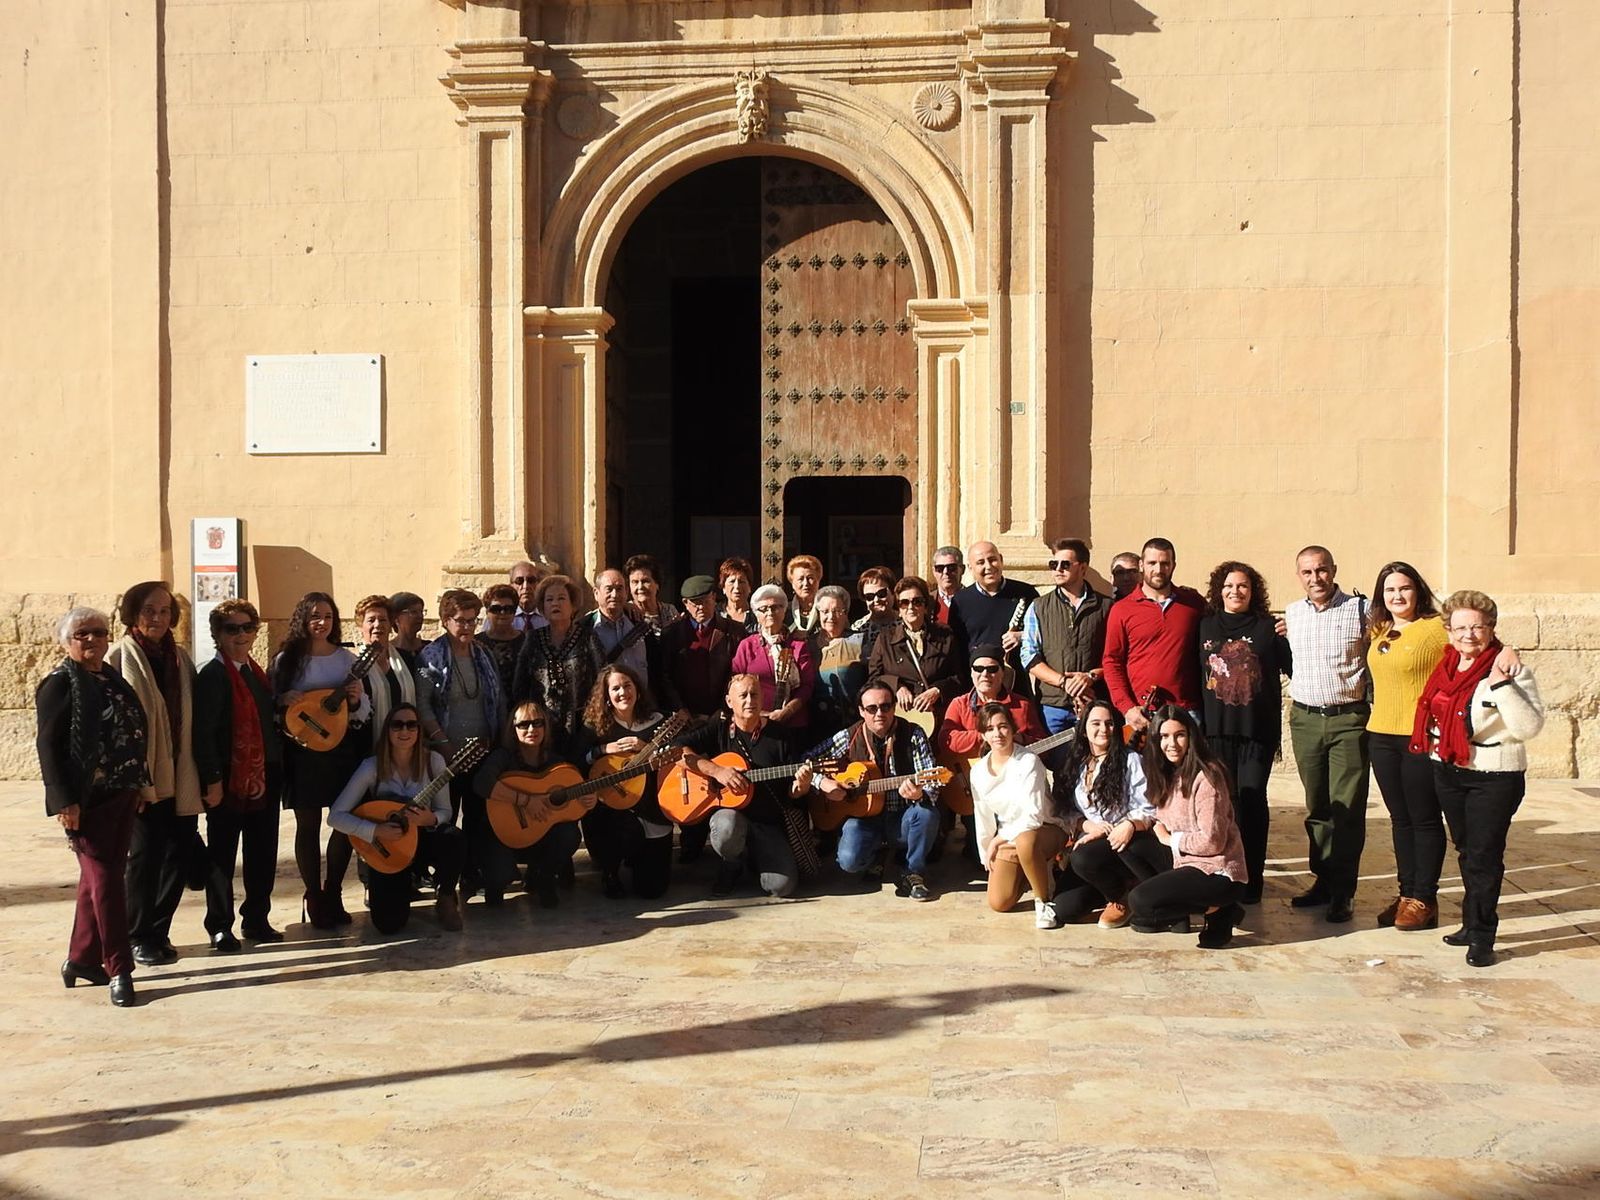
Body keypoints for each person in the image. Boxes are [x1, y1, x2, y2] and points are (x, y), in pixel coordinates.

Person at [1412, 591, 1543, 967]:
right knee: (1467, 851)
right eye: (1460, 627)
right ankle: (1471, 923)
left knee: (1485, 856)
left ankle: (1483, 935)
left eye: (1477, 626)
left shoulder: (1510, 668)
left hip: (1494, 775)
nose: (1468, 635)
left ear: (1491, 628)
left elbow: (1529, 726)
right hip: (1450, 770)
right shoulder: (1446, 666)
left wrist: (1502, 684)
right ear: (1449, 631)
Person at [37, 607, 150, 1007]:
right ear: (66, 641)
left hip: (123, 792)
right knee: (106, 881)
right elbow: (48, 746)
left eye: (99, 633)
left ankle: (82, 959)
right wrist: (63, 801)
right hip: (87, 800)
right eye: (82, 634)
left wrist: (140, 784)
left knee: (97, 881)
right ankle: (119, 966)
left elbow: (133, 730)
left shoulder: (111, 677)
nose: (92, 640)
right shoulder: (59, 683)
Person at [107, 580, 204, 966]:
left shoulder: (179, 658)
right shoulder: (119, 657)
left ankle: (158, 930)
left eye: (165, 611)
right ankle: (136, 935)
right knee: (143, 857)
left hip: (179, 773)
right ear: (133, 613)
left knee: (179, 853)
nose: (158, 618)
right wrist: (132, 781)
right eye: (149, 610)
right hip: (141, 778)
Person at [273, 592, 371, 930]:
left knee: (343, 821)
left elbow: (360, 712)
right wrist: (284, 699)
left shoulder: (347, 660)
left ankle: (334, 891)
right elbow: (274, 704)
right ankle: (314, 895)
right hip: (303, 751)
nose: (322, 622)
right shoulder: (288, 659)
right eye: (315, 615)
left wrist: (356, 701)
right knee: (308, 824)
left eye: (328, 616)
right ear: (303, 618)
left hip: (340, 750)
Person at [1282, 545, 1370, 923]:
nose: (1315, 578)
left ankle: (1343, 889)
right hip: (1305, 719)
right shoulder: (1292, 614)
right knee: (1317, 805)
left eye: (1321, 570)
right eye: (1307, 572)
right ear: (1298, 575)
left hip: (1347, 719)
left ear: (1333, 570)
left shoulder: (1360, 611)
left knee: (1346, 807)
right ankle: (1323, 878)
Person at [1197, 561, 1291, 906]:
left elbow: (1294, 668)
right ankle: (1226, 871)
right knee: (1223, 803)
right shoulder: (1204, 625)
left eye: (1243, 586)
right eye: (1229, 586)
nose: (1236, 592)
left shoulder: (1269, 628)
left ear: (1254, 592)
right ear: (1218, 590)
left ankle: (1253, 877)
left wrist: (1291, 636)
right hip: (1216, 732)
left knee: (1252, 799)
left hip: (1256, 732)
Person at [192, 599, 284, 949]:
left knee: (263, 852)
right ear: (217, 634)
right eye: (232, 629)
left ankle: (257, 919)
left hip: (264, 777)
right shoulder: (213, 675)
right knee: (222, 855)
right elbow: (204, 733)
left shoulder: (256, 673)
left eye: (248, 627)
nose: (241, 634)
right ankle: (219, 924)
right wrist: (212, 780)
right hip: (229, 780)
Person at [329, 704, 464, 933]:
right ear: (387, 731)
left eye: (412, 725)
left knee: (453, 837)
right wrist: (374, 831)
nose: (405, 731)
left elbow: (445, 812)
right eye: (397, 725)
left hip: (422, 841)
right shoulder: (371, 766)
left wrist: (429, 819)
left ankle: (446, 896)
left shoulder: (434, 762)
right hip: (390, 847)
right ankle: (400, 885)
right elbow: (335, 817)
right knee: (388, 925)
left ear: (420, 730)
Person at [805, 682, 944, 900]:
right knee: (849, 861)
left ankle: (912, 872)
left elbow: (932, 782)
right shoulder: (849, 736)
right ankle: (875, 857)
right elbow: (806, 762)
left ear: (894, 707)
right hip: (864, 820)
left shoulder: (913, 733)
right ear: (861, 711)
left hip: (901, 817)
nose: (879, 713)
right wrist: (822, 782)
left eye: (886, 706)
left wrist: (920, 793)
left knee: (926, 814)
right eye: (872, 709)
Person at [1127, 707, 1248, 949]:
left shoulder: (1208, 777)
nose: (1172, 743)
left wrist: (1172, 840)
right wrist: (1133, 824)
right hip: (1185, 859)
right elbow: (1161, 817)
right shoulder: (1166, 772)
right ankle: (1199, 907)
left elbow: (1212, 841)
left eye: (1179, 735)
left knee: (1141, 903)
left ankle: (1220, 908)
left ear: (1191, 736)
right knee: (1128, 844)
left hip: (1216, 868)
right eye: (1164, 736)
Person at [680, 674, 811, 898]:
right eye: (743, 695)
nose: (750, 700)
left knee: (781, 887)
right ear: (730, 702)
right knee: (726, 827)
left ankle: (752, 858)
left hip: (767, 823)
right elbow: (679, 750)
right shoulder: (718, 727)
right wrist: (717, 771)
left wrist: (803, 785)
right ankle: (731, 863)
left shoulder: (780, 735)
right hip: (731, 817)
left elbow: (793, 791)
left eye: (755, 694)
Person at [417, 588, 507, 896]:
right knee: (447, 817)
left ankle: (474, 874)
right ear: (444, 621)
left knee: (479, 816)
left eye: (472, 619)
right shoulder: (431, 656)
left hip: (482, 751)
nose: (467, 626)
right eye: (460, 620)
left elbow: (497, 699)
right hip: (446, 754)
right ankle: (446, 881)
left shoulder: (483, 653)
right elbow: (423, 704)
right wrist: (442, 744)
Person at [1051, 699, 1169, 928]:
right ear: (1084, 729)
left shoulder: (1131, 760)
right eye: (1095, 723)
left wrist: (1129, 825)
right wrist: (1087, 826)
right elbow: (1065, 808)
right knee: (1063, 909)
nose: (1103, 729)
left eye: (1109, 723)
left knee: (1082, 857)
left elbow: (1147, 807)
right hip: (1093, 841)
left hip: (1125, 841)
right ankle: (1111, 887)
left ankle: (1121, 898)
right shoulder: (1076, 762)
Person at [575, 665, 675, 899]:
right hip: (612, 812)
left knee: (652, 891)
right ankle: (610, 871)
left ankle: (639, 860)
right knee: (617, 827)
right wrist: (602, 749)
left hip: (652, 809)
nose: (623, 692)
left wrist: (649, 751)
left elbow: (678, 755)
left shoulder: (658, 722)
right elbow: (577, 760)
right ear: (607, 696)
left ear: (638, 690)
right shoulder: (596, 726)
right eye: (615, 688)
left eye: (627, 685)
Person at [472, 700, 585, 907]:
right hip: (503, 835)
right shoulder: (502, 757)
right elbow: (481, 783)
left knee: (570, 834)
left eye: (538, 723)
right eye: (523, 724)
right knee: (499, 877)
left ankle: (544, 877)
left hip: (539, 836)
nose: (531, 729)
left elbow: (570, 808)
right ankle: (495, 882)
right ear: (512, 729)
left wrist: (587, 801)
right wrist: (525, 801)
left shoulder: (556, 762)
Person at [969, 702, 1070, 928]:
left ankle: (1042, 901)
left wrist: (999, 839)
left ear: (1013, 729)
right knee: (999, 902)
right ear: (983, 734)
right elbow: (982, 814)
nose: (998, 733)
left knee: (1026, 840)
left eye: (1003, 726)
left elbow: (1032, 816)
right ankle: (1035, 869)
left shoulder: (1028, 761)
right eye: (990, 728)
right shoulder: (977, 772)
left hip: (1046, 828)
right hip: (1009, 836)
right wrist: (986, 851)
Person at [1101, 539, 1205, 738]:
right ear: (1141, 565)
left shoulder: (1193, 604)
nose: (1159, 569)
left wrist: (1275, 625)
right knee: (1141, 769)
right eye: (1152, 563)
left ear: (1173, 565)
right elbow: (1112, 662)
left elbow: (1226, 625)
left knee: (1188, 770)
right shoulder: (1122, 609)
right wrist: (1127, 708)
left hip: (1187, 711)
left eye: (1165, 563)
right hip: (1141, 714)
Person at [1023, 537, 1112, 735]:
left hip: (1095, 706)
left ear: (1082, 568)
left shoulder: (1107, 607)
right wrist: (1064, 682)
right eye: (1053, 564)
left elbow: (1117, 657)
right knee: (1057, 764)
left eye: (1065, 564)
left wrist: (1090, 677)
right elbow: (1029, 656)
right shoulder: (1038, 607)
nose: (1058, 569)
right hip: (1053, 707)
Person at [512, 574, 601, 754]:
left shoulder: (587, 637)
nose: (555, 604)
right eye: (549, 599)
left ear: (572, 604)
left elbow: (602, 679)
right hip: (540, 729)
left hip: (582, 726)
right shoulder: (533, 638)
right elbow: (520, 684)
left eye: (561, 598)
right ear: (542, 607)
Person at [867, 575, 965, 723]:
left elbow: (960, 677)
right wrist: (896, 686)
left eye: (917, 602)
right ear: (898, 609)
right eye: (904, 603)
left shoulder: (945, 636)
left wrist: (938, 690)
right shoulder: (885, 639)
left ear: (925, 606)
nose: (911, 607)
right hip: (902, 720)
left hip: (940, 718)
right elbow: (874, 678)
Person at [947, 541, 1038, 692]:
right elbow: (956, 648)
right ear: (970, 568)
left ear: (1001, 560)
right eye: (980, 562)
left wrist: (1022, 635)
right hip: (977, 685)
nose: (988, 566)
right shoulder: (960, 601)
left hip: (1016, 684)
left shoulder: (1026, 593)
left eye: (993, 559)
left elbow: (1044, 634)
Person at [936, 645, 1048, 760]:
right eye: (978, 669)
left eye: (992, 669)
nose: (985, 674)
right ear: (971, 673)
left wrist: (1021, 739)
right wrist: (988, 735)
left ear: (1002, 673)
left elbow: (1043, 747)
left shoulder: (1023, 705)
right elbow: (945, 740)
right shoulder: (959, 704)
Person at [730, 585, 817, 732]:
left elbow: (807, 685)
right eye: (763, 609)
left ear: (784, 611)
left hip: (794, 723)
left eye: (775, 607)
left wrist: (788, 711)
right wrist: (760, 714)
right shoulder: (747, 646)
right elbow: (735, 682)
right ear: (756, 614)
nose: (769, 612)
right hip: (755, 722)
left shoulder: (798, 646)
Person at [356, 594, 436, 748]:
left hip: (407, 748)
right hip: (369, 749)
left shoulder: (407, 660)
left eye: (383, 620)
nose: (378, 625)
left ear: (391, 623)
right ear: (360, 626)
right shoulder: (354, 667)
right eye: (371, 620)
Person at [658, 574, 742, 718]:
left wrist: (724, 708)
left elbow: (738, 673)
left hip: (723, 714)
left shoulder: (734, 632)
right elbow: (664, 675)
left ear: (714, 597)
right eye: (695, 603)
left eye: (705, 601)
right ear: (685, 603)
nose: (701, 607)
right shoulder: (671, 634)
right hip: (684, 716)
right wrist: (679, 708)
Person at [810, 584, 866, 740]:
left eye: (837, 611)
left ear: (846, 613)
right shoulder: (809, 645)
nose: (831, 617)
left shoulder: (860, 641)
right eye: (825, 612)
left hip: (854, 724)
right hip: (816, 727)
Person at [589, 567, 656, 687]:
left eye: (619, 589)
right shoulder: (586, 628)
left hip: (640, 702)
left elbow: (655, 667)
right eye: (609, 589)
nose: (615, 595)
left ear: (626, 592)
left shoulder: (639, 623)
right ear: (596, 593)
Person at [476, 583, 527, 699]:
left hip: (520, 707)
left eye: (508, 609)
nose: (502, 613)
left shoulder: (527, 642)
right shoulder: (476, 644)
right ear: (487, 612)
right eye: (496, 609)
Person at [851, 565, 899, 661]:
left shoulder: (905, 622)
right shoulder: (858, 629)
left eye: (881, 593)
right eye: (869, 596)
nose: (876, 600)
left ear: (893, 592)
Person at [625, 552, 680, 627]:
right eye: (635, 582)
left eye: (645, 581)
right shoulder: (625, 613)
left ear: (657, 584)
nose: (640, 587)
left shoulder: (670, 611)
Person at [785, 554, 824, 633]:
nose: (806, 583)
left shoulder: (827, 610)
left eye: (810, 578)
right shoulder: (784, 611)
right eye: (800, 579)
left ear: (818, 581)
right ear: (792, 583)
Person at [718, 556, 758, 633]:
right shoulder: (716, 615)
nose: (737, 587)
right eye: (732, 581)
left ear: (749, 587)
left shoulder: (758, 615)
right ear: (723, 587)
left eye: (741, 582)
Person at [388, 591, 428, 666]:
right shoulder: (388, 652)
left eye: (421, 611)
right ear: (396, 617)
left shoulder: (429, 648)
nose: (420, 616)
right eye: (413, 612)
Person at [509, 561, 550, 632]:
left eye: (531, 580)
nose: (526, 586)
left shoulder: (550, 616)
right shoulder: (499, 616)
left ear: (539, 584)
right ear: (511, 586)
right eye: (519, 581)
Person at [930, 545, 964, 626]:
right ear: (934, 571)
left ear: (962, 569)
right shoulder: (927, 602)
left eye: (951, 567)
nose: (946, 572)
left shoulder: (974, 600)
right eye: (940, 568)